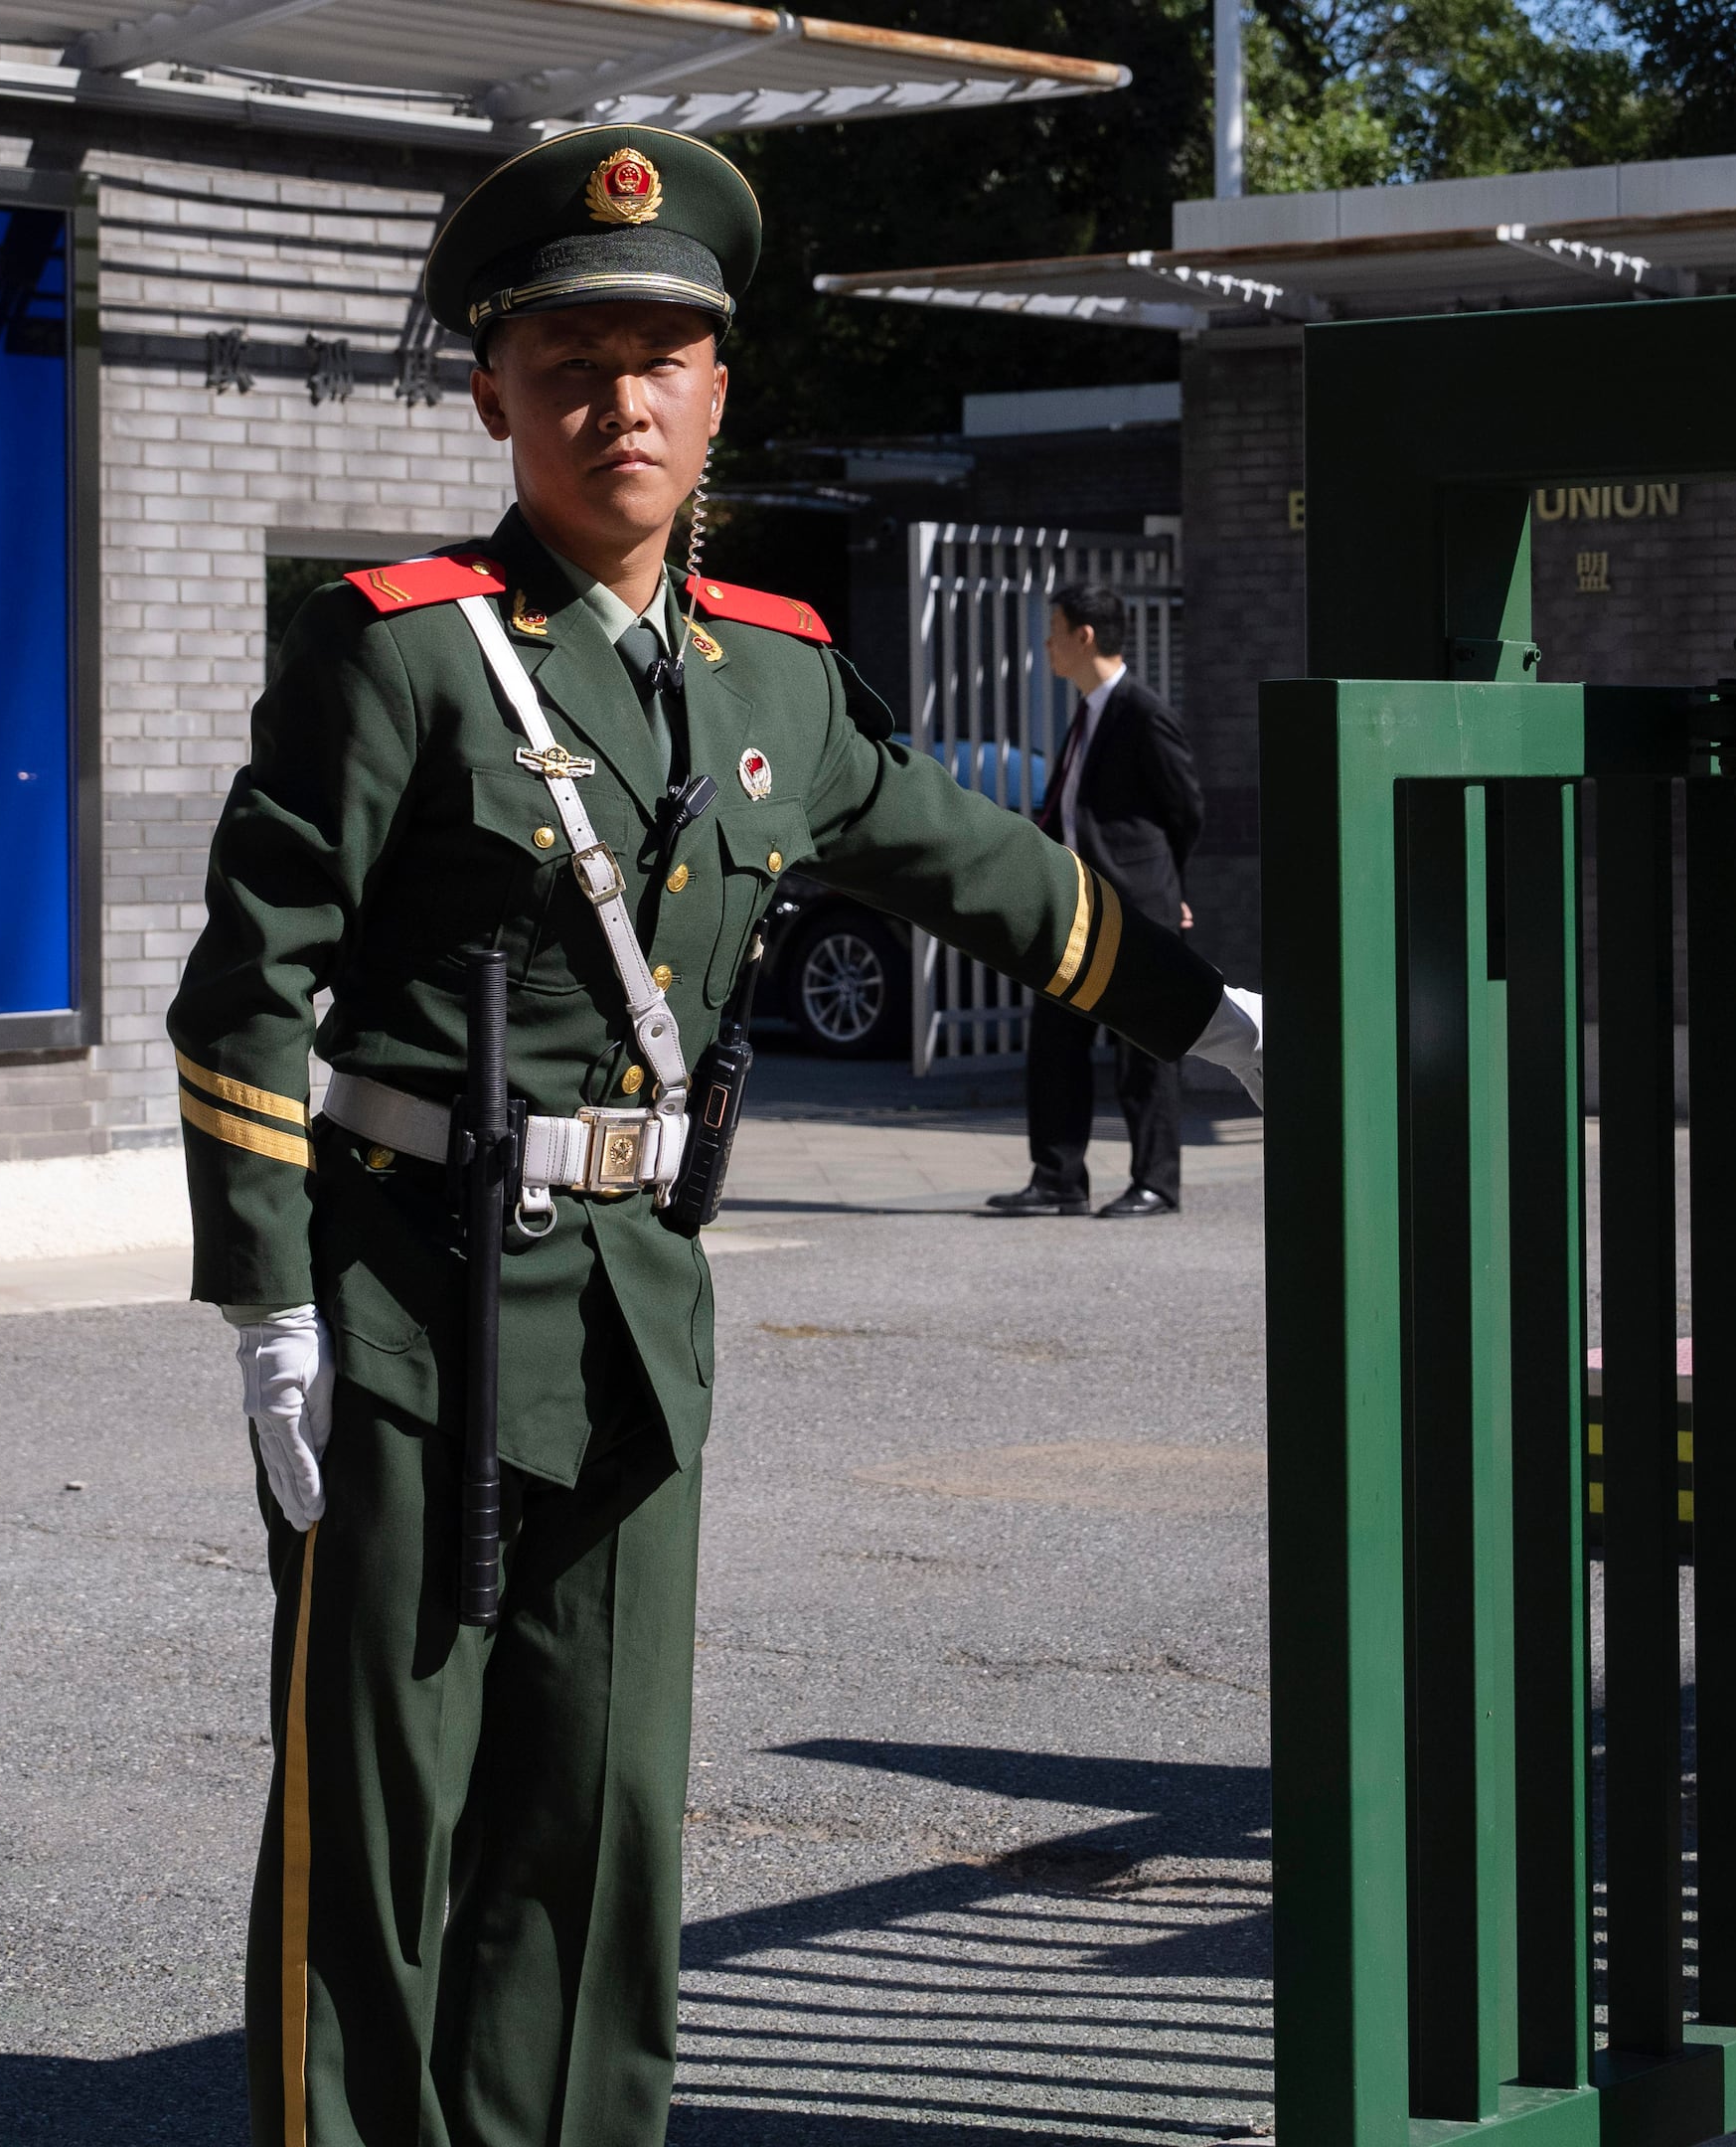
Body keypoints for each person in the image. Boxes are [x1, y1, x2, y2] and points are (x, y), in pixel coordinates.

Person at [163, 125, 1264, 2147]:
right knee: (382, 1810)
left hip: (635, 1319)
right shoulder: (398, 648)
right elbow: (246, 984)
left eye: (660, 355)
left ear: (720, 388)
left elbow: (977, 869)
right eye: (571, 358)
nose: (619, 398)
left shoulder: (771, 671)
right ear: (496, 390)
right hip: (410, 1313)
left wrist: (1207, 1020)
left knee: (605, 1815)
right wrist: (268, 1300)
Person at [986, 585, 1207, 1219]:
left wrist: (1170, 889)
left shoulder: (1141, 712)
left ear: (1085, 636)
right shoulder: (1088, 712)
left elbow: (1185, 810)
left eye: (1055, 631)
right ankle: (1058, 1177)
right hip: (1080, 907)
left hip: (1138, 908)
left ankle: (1156, 1183)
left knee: (1145, 1050)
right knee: (1056, 1038)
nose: (1047, 644)